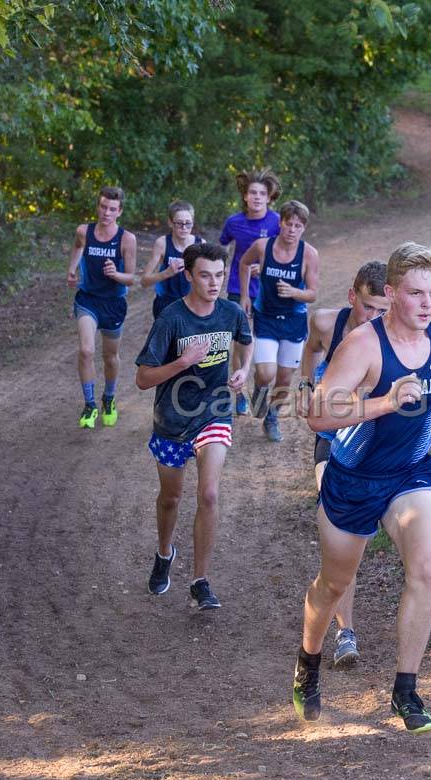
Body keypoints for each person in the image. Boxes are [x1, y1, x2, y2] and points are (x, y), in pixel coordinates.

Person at [293, 242, 431, 734]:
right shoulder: (364, 347)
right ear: (391, 293)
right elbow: (318, 415)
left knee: (427, 568)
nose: (427, 303)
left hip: (409, 473)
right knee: (334, 584)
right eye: (416, 293)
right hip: (353, 478)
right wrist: (385, 402)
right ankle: (308, 662)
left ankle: (406, 691)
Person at [135, 242, 252, 610]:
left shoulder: (231, 312)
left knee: (210, 494)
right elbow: (142, 378)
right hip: (171, 420)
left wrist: (242, 370)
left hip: (214, 412)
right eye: (205, 275)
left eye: (219, 275)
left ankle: (200, 580)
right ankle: (164, 552)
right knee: (171, 498)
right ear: (188, 275)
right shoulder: (171, 318)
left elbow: (246, 343)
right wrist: (182, 362)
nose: (214, 282)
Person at [296, 260, 391, 668]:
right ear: (353, 297)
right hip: (332, 438)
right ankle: (345, 632)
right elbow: (311, 349)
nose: (374, 318)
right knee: (340, 532)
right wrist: (304, 385)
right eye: (368, 308)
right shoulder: (325, 323)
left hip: (375, 441)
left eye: (382, 310)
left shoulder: (397, 332)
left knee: (356, 541)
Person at [238, 200, 319, 443]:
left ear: (303, 227)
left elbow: (313, 293)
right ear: (280, 223)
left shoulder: (309, 254)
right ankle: (259, 388)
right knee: (266, 373)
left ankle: (271, 417)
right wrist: (244, 296)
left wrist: (295, 292)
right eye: (288, 224)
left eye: (298, 225)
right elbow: (243, 263)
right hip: (266, 317)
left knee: (284, 378)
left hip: (294, 321)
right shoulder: (263, 246)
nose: (292, 230)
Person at [65, 186, 138, 429]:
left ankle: (109, 398)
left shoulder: (127, 239)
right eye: (103, 207)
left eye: (112, 209)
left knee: (110, 357)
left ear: (120, 212)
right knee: (86, 351)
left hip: (114, 304)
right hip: (88, 299)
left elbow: (131, 278)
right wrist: (72, 268)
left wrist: (115, 273)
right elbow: (77, 246)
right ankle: (89, 405)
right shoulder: (84, 231)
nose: (106, 212)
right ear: (98, 206)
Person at [221, 168, 282, 415]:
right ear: (245, 196)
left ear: (269, 197)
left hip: (268, 291)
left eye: (262, 193)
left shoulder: (277, 222)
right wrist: (220, 270)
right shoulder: (233, 222)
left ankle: (261, 384)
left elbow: (286, 253)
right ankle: (240, 392)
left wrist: (266, 267)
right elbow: (222, 248)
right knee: (241, 342)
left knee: (265, 341)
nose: (257, 197)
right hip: (238, 288)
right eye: (252, 193)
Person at [140, 200, 205, 319]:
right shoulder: (162, 244)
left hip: (192, 304)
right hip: (165, 304)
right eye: (179, 223)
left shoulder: (200, 245)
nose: (184, 228)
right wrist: (167, 273)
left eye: (188, 223)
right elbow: (144, 281)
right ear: (170, 223)